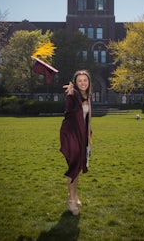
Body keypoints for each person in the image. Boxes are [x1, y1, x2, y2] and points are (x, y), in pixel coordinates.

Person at [60, 70, 92, 215]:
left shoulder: (88, 97)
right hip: (70, 135)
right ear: (75, 83)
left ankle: (73, 196)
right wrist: (70, 94)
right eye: (79, 81)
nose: (82, 83)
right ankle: (71, 202)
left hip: (81, 136)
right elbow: (69, 109)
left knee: (77, 167)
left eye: (85, 80)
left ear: (89, 82)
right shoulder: (74, 96)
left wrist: (89, 135)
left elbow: (86, 120)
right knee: (74, 167)